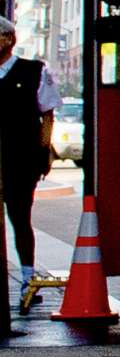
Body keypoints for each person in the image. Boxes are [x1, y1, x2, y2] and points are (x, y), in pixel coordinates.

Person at [0, 17, 59, 313]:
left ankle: (27, 276)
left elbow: (48, 114)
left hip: (20, 158)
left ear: (9, 39)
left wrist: (43, 149)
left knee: (20, 217)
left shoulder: (33, 71)